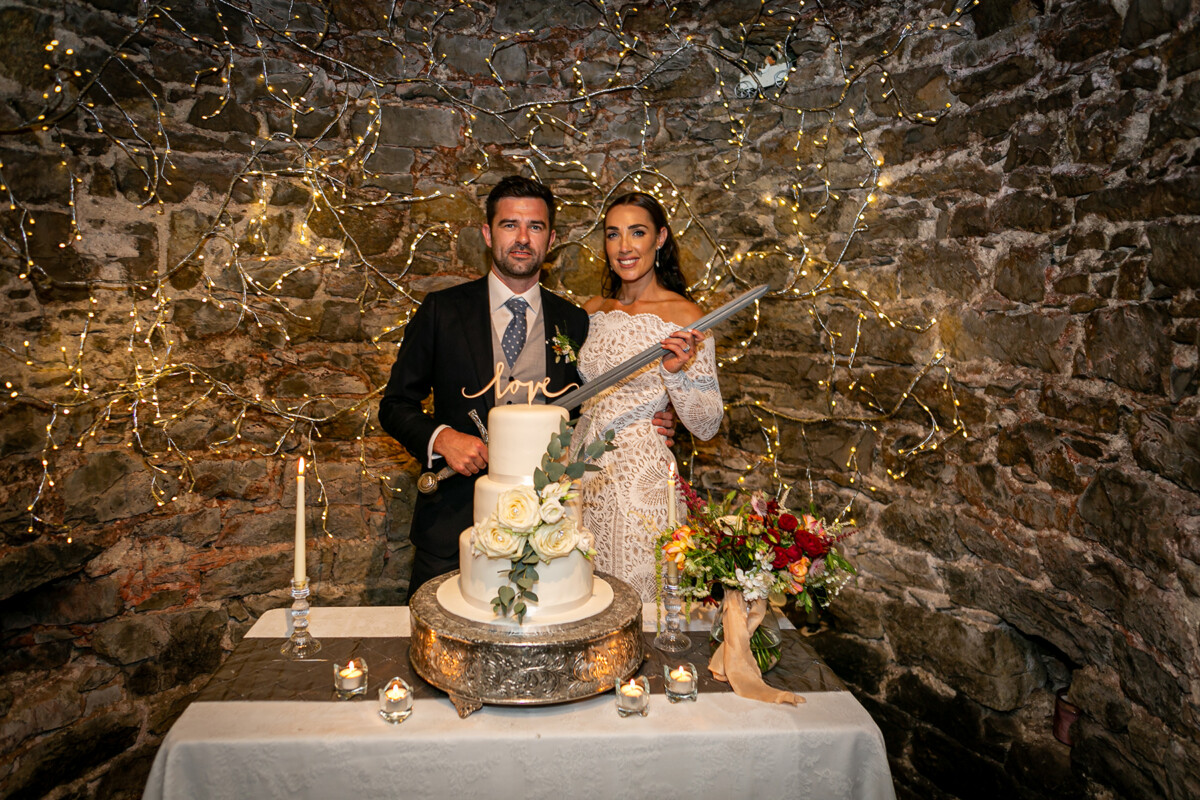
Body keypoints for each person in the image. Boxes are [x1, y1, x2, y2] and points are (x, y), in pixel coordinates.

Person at [379, 177, 675, 598]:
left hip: (552, 534)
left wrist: (659, 416)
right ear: (487, 233)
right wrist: (441, 438)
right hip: (452, 525)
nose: (522, 239)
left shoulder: (575, 322)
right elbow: (394, 405)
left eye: (535, 227)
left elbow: (601, 398)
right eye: (509, 225)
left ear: (550, 239)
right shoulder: (442, 311)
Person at [579, 192, 723, 601]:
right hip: (580, 481)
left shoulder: (686, 318)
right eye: (613, 234)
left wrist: (674, 380)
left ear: (659, 239)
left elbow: (708, 424)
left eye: (636, 232)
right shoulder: (590, 311)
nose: (624, 246)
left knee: (640, 608)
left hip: (641, 482)